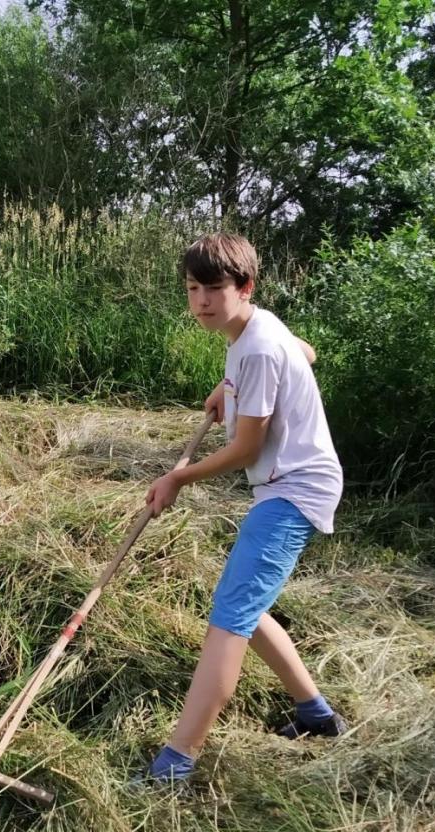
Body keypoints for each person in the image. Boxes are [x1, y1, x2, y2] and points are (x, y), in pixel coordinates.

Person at [134, 232, 347, 786]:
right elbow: (305, 352)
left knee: (228, 619)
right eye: (192, 288)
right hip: (292, 481)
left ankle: (176, 762)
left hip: (295, 488)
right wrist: (227, 387)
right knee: (244, 607)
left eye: (214, 288)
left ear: (244, 286)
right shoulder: (255, 326)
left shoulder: (254, 347)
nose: (202, 300)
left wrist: (177, 476)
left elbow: (246, 449)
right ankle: (316, 714)